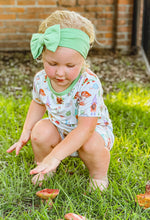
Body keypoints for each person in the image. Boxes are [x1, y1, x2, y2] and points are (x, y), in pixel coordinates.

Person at [7, 10, 114, 191]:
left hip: (91, 132)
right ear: (43, 57)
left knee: (91, 144)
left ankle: (98, 176)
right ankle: (43, 165)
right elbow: (38, 103)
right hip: (60, 127)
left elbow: (85, 129)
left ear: (82, 61)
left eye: (70, 66)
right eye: (53, 64)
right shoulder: (41, 79)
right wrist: (26, 130)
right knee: (40, 131)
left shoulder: (88, 84)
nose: (60, 73)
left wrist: (56, 156)